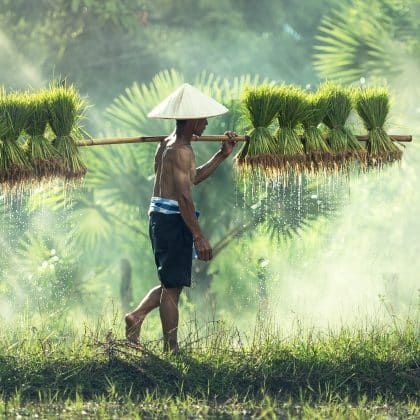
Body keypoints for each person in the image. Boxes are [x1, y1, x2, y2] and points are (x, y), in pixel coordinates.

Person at [125, 83, 237, 353]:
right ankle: (171, 349)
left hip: (160, 217)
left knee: (169, 282)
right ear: (191, 121)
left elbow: (193, 177)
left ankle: (136, 317)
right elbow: (185, 198)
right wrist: (199, 236)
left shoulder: (168, 144)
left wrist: (222, 155)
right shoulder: (181, 151)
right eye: (203, 118)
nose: (207, 123)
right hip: (172, 220)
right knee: (173, 289)